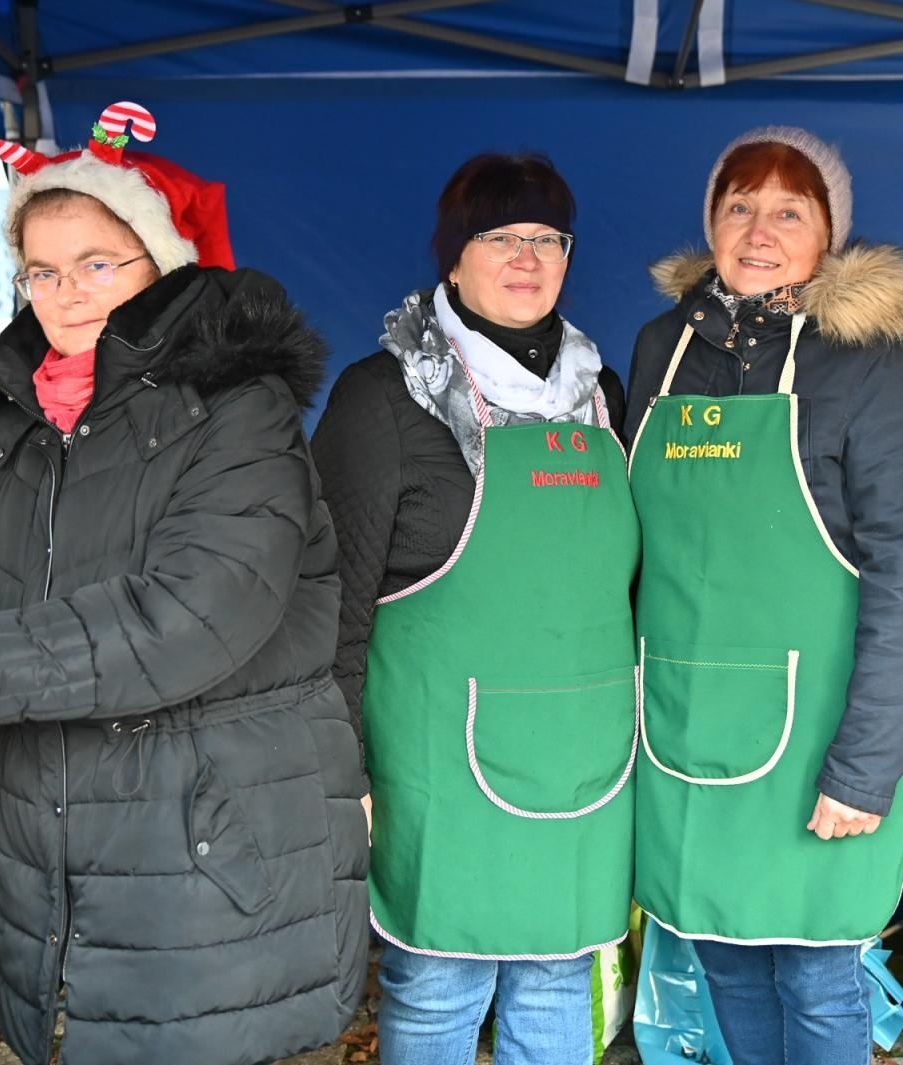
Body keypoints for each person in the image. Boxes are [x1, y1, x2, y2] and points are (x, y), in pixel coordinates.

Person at [0, 104, 369, 1065]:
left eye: (97, 263)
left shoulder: (240, 412)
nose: (66, 293)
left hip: (210, 852)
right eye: (42, 269)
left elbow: (188, 617)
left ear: (157, 266)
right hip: (60, 849)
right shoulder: (19, 417)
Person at [625, 126, 903, 1064]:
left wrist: (865, 765)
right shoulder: (662, 347)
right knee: (723, 959)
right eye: (739, 205)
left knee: (815, 976)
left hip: (818, 744)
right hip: (683, 730)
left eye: (789, 210)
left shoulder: (867, 357)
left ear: (827, 233)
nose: (759, 229)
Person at [311, 152, 635, 1065]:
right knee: (437, 984)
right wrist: (348, 772)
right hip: (438, 765)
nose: (525, 255)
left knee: (559, 976)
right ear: (454, 258)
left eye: (546, 237)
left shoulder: (602, 394)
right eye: (498, 235)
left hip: (581, 755)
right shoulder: (384, 399)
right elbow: (333, 606)